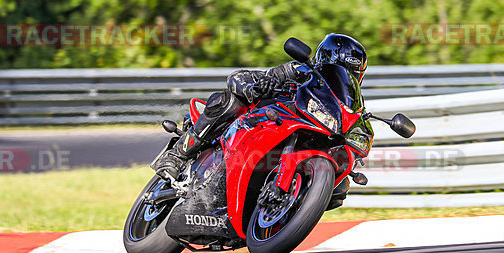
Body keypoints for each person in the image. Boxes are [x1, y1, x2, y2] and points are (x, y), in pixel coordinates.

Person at [154, 33, 368, 183]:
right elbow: (244, 77)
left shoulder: (346, 105)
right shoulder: (300, 71)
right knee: (228, 101)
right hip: (256, 123)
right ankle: (178, 155)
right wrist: (256, 86)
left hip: (298, 134)